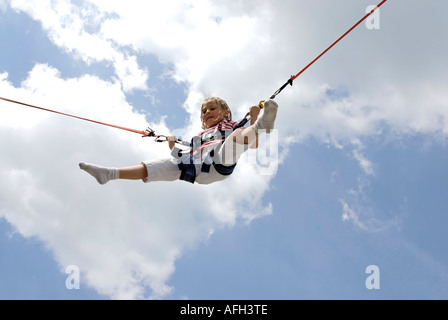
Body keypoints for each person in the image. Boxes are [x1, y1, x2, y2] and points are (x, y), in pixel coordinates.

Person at [79, 97, 278, 185]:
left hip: (219, 165)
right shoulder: (198, 137)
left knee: (235, 137)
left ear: (225, 112)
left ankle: (262, 125)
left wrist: (253, 118)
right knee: (162, 164)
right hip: (195, 169)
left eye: (212, 108)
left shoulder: (232, 125)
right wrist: (173, 145)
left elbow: (253, 144)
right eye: (204, 111)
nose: (207, 112)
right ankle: (109, 174)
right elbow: (184, 156)